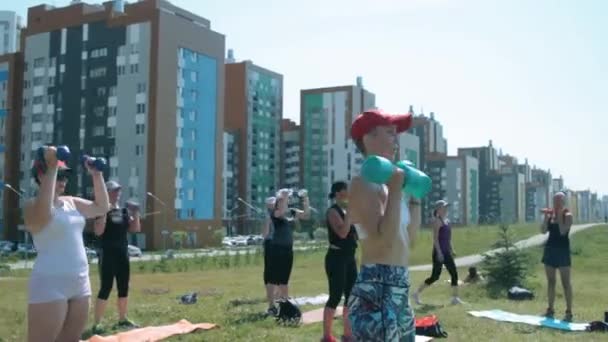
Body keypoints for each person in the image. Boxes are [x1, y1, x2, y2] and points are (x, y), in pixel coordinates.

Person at [346, 109, 422, 342]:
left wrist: (415, 196)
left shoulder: (391, 187)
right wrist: (397, 188)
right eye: (390, 133)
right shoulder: (361, 185)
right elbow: (384, 241)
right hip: (377, 286)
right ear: (368, 138)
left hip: (400, 284)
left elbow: (410, 241)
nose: (396, 140)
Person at [24, 146, 110, 342]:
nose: (63, 180)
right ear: (41, 174)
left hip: (79, 282)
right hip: (50, 283)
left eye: (65, 176)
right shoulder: (31, 206)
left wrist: (96, 176)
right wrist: (51, 167)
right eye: (59, 175)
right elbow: (44, 214)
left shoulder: (71, 202)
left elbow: (101, 207)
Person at [92, 181, 141, 333]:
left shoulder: (124, 211)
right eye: (113, 191)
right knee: (106, 287)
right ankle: (97, 324)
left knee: (124, 287)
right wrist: (104, 213)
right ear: (106, 192)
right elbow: (98, 232)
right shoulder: (101, 210)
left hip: (122, 253)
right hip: (107, 253)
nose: (117, 193)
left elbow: (135, 229)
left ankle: (122, 319)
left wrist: (136, 212)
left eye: (118, 190)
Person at [322, 181, 358, 342]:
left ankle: (348, 334)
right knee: (335, 296)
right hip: (336, 259)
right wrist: (350, 213)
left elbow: (354, 235)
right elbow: (342, 233)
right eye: (345, 191)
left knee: (351, 297)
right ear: (337, 193)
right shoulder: (333, 212)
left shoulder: (346, 211)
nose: (348, 193)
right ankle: (327, 336)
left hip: (349, 258)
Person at [412, 200, 463, 305]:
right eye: (443, 207)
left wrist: (452, 249)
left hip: (447, 252)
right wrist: (439, 253)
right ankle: (416, 293)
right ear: (438, 210)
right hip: (438, 252)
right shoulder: (437, 221)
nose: (446, 209)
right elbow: (435, 239)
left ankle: (455, 298)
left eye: (446, 207)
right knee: (435, 276)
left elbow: (448, 238)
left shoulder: (447, 221)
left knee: (454, 273)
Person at [266, 188, 310, 309]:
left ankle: (284, 306)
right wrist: (283, 196)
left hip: (288, 249)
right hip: (276, 249)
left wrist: (305, 199)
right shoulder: (275, 212)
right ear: (278, 202)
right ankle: (271, 306)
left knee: (284, 279)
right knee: (273, 279)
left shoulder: (291, 211)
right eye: (282, 200)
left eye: (286, 199)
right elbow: (280, 212)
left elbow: (306, 215)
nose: (285, 200)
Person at [541, 192, 574, 321]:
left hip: (563, 251)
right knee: (551, 282)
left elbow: (562, 231)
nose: (556, 203)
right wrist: (546, 218)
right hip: (550, 250)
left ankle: (569, 312)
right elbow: (543, 231)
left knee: (566, 283)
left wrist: (559, 216)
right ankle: (550, 310)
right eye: (554, 201)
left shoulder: (568, 215)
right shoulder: (551, 215)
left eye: (559, 201)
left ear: (563, 202)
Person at [262, 196, 278, 315]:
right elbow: (265, 234)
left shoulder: (279, 215)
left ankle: (275, 304)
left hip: (277, 246)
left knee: (276, 277)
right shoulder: (268, 216)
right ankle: (272, 304)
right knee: (271, 277)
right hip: (272, 246)